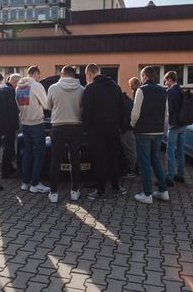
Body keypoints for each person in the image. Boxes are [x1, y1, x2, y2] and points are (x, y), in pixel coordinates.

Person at [82, 63, 126, 199]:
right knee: (113, 158)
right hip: (113, 129)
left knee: (100, 159)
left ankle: (100, 191)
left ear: (89, 74)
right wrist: (121, 127)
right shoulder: (115, 87)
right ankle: (116, 188)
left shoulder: (90, 88)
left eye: (86, 76)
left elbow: (86, 111)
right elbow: (122, 108)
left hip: (96, 130)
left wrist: (85, 129)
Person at [131, 66, 169, 204]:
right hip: (158, 131)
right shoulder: (163, 91)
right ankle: (163, 191)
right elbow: (166, 113)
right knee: (156, 160)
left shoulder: (141, 90)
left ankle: (147, 194)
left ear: (145, 77)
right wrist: (162, 128)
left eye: (141, 76)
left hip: (143, 131)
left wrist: (132, 124)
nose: (141, 79)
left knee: (145, 162)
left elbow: (135, 113)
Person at [47, 65, 84, 203]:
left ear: (62, 74)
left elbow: (48, 106)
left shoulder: (53, 88)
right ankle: (75, 191)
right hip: (75, 127)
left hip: (58, 127)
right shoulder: (82, 89)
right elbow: (83, 108)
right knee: (75, 160)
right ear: (74, 75)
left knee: (55, 160)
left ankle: (53, 193)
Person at [16, 66, 50, 193]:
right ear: (35, 74)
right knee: (40, 153)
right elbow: (46, 104)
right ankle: (35, 183)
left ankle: (25, 182)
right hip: (36, 123)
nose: (39, 79)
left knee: (27, 152)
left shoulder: (18, 87)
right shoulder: (36, 85)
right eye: (38, 76)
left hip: (25, 124)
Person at [164, 71, 186, 185]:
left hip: (174, 125)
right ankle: (181, 175)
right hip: (183, 124)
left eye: (166, 81)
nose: (165, 83)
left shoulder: (170, 91)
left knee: (170, 151)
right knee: (180, 150)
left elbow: (170, 109)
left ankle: (170, 177)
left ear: (170, 79)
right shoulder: (181, 90)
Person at [0, 74, 21, 178]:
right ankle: (6, 171)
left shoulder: (1, 88)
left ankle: (9, 168)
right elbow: (12, 110)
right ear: (15, 82)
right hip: (9, 125)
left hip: (1, 124)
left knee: (7, 148)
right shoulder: (11, 91)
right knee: (8, 148)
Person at [120, 92, 137, 177]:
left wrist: (123, 129)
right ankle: (133, 168)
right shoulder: (128, 101)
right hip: (129, 128)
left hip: (127, 129)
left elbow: (125, 117)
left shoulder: (123, 102)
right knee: (131, 149)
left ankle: (132, 170)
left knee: (130, 150)